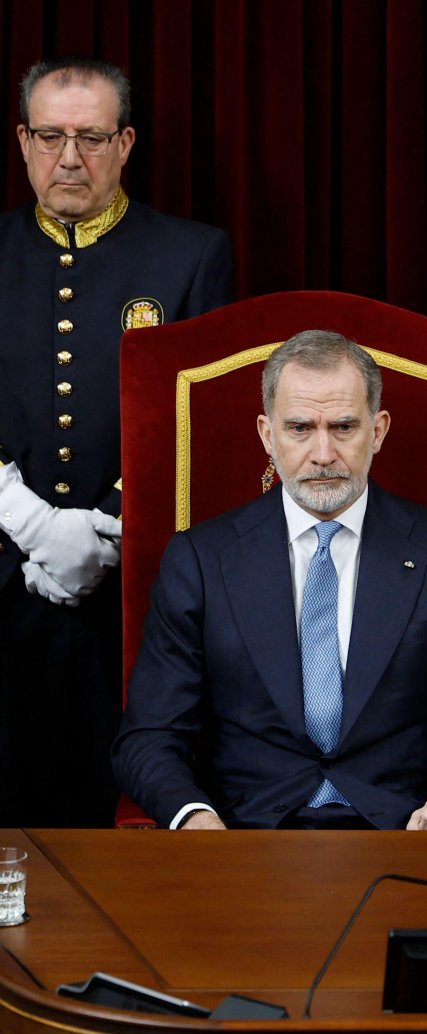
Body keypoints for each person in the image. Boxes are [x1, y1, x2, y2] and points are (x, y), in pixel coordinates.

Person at [113, 330, 427, 830]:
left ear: (378, 431)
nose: (324, 453)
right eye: (300, 428)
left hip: (404, 835)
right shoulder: (201, 560)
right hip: (244, 839)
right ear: (268, 434)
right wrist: (194, 817)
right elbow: (149, 736)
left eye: (344, 427)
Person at [0, 56, 231, 827]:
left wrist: (102, 529)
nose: (70, 158)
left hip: (132, 590)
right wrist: (31, 525)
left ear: (125, 143)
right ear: (24, 141)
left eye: (92, 137)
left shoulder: (189, 256)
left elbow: (200, 416)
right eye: (52, 136)